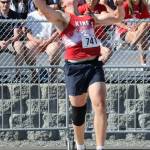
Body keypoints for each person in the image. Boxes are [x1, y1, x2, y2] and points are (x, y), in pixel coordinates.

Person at [33, 0, 124, 149]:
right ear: (63, 3)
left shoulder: (88, 17)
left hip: (94, 65)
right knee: (78, 112)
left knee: (100, 103)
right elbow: (43, 8)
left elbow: (117, 18)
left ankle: (100, 147)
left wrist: (120, 5)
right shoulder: (61, 17)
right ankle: (80, 145)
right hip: (74, 69)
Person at [24, 2, 62, 82]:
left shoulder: (52, 14)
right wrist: (36, 41)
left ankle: (53, 75)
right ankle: (34, 73)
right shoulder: (31, 15)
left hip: (50, 41)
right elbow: (27, 32)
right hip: (35, 42)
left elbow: (57, 31)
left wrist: (48, 41)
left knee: (55, 47)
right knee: (28, 47)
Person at [115, 0, 150, 66]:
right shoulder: (125, 5)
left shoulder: (143, 6)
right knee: (142, 38)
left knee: (144, 25)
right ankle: (143, 63)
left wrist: (137, 25)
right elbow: (115, 20)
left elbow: (147, 21)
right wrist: (127, 27)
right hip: (125, 31)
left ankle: (133, 43)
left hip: (138, 31)